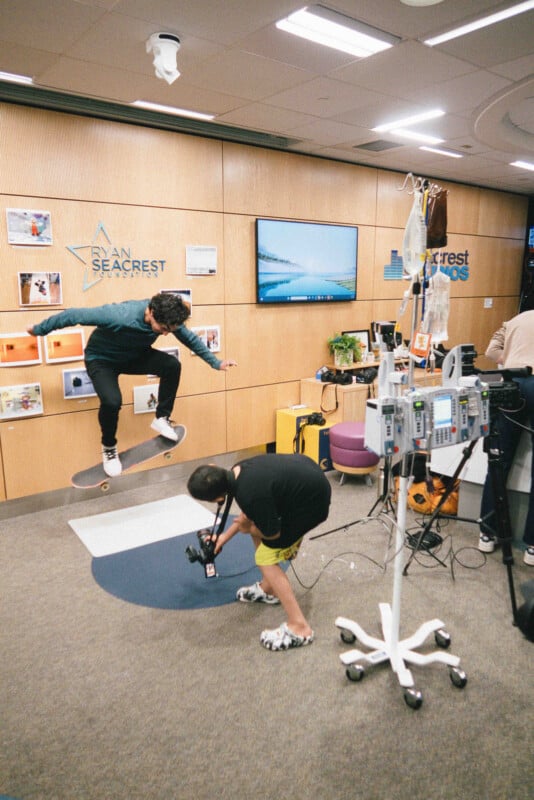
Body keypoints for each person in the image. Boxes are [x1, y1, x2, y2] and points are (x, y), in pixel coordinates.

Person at [28, 294, 237, 476]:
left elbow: (190, 339)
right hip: (101, 360)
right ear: (150, 312)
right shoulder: (120, 315)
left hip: (134, 356)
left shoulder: (169, 319)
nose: (165, 333)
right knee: (112, 402)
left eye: (169, 330)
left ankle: (162, 418)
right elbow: (73, 315)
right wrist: (39, 329)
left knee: (172, 365)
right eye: (162, 329)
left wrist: (216, 363)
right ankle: (109, 448)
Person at [187, 453, 332, 651]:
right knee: (257, 524)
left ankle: (300, 627)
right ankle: (269, 588)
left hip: (312, 505)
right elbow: (251, 512)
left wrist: (249, 529)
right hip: (308, 480)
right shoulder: (238, 471)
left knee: (264, 558)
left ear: (219, 498)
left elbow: (272, 533)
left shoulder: (249, 492)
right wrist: (222, 538)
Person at [479, 310, 534, 566]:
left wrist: (511, 359)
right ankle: (532, 546)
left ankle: (487, 532)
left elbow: (491, 351)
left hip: (512, 384)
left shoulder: (517, 319)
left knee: (498, 460)